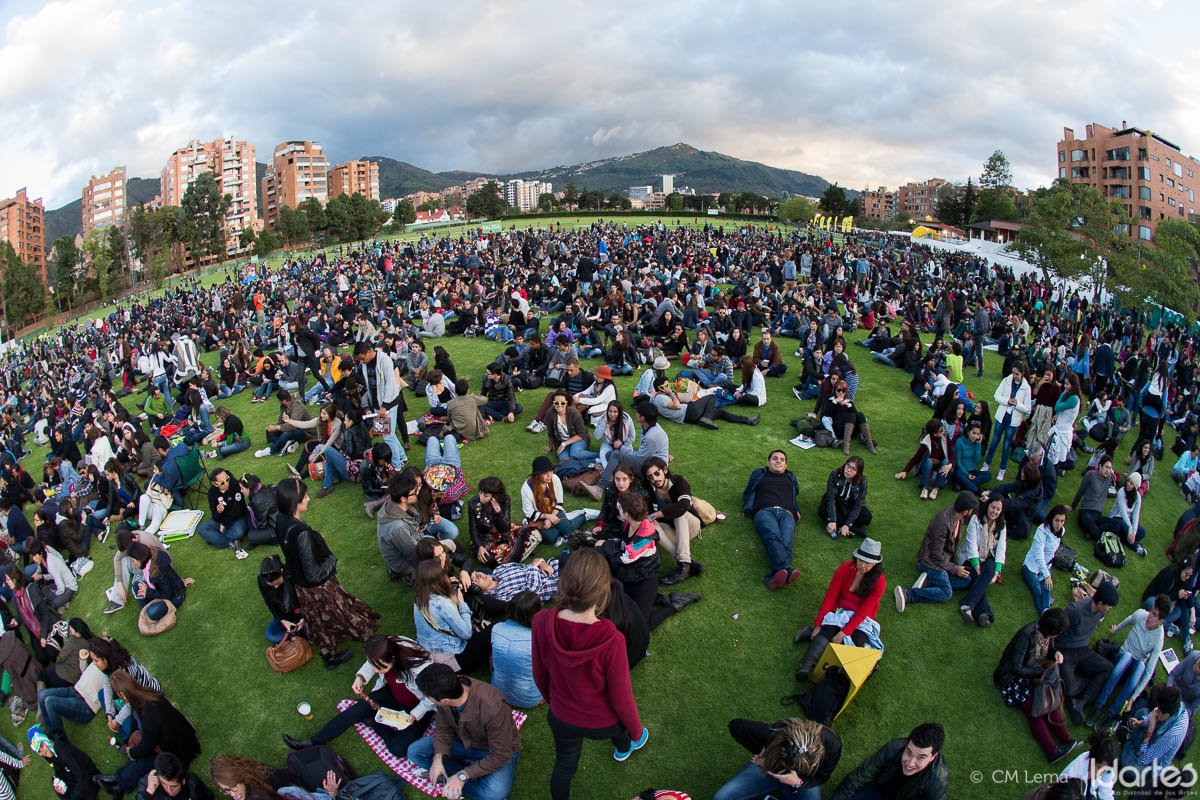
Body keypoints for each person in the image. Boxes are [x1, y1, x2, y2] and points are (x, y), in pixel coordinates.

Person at [532, 547, 647, 800]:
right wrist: (637, 732)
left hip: (561, 717)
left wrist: (557, 704)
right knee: (621, 729)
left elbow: (539, 674)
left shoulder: (541, 621)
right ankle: (625, 746)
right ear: (604, 589)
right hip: (603, 722)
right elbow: (622, 699)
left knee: (564, 767)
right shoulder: (612, 639)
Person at [276, 477, 379, 669]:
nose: (308, 499)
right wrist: (331, 560)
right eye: (304, 496)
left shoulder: (281, 519)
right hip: (317, 588)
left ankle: (328, 655)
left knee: (317, 622)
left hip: (301, 585)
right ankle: (372, 642)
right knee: (342, 615)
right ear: (294, 503)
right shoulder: (301, 534)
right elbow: (314, 574)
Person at [282, 635, 436, 759]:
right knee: (353, 712)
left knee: (399, 749)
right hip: (392, 694)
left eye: (380, 667)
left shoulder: (420, 667)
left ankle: (375, 723)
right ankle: (313, 742)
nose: (375, 671)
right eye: (374, 666)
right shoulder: (382, 647)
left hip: (418, 707)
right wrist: (360, 678)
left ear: (393, 659)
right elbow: (370, 664)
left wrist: (415, 715)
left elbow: (433, 697)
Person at [406, 664, 522, 800]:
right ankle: (454, 776)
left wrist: (463, 775)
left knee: (494, 794)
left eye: (429, 698)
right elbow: (443, 728)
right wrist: (438, 759)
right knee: (415, 752)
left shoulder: (493, 707)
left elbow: (501, 754)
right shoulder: (448, 688)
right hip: (461, 740)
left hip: (491, 750)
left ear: (444, 701)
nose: (427, 700)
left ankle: (453, 778)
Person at [95, 670, 201, 797]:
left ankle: (118, 783)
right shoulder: (147, 694)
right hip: (180, 739)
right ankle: (117, 781)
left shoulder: (149, 712)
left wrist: (132, 752)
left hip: (179, 752)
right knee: (139, 753)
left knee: (142, 761)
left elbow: (147, 745)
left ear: (122, 694)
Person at [994, 607, 1079, 762]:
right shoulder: (1026, 636)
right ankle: (1052, 751)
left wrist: (1055, 653)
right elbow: (1016, 668)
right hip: (1011, 680)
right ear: (1051, 630)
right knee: (1036, 710)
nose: (1058, 636)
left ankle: (1067, 739)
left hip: (1031, 674)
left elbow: (1050, 647)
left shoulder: (1045, 630)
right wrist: (1040, 672)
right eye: (1058, 633)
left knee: (1048, 700)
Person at [795, 539, 886, 681]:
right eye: (859, 560)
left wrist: (844, 633)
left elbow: (864, 611)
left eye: (866, 562)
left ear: (875, 564)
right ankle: (805, 666)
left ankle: (832, 675)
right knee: (827, 631)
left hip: (861, 618)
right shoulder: (845, 568)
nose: (861, 565)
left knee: (856, 641)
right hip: (839, 610)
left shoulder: (879, 581)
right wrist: (819, 624)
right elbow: (830, 597)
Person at [1085, 594, 1171, 727]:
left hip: (1135, 666)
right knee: (1126, 657)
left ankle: (1110, 714)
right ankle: (1098, 705)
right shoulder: (1141, 615)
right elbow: (1129, 620)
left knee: (1141, 666)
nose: (1149, 616)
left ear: (1161, 621)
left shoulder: (1158, 639)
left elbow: (1149, 671)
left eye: (1154, 615)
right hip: (1122, 656)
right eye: (1151, 611)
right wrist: (1116, 629)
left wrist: (1133, 698)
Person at [713, 717, 843, 800]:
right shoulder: (778, 732)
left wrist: (798, 782)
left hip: (803, 781)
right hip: (770, 768)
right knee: (721, 797)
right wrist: (763, 754)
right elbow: (736, 726)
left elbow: (821, 777)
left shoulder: (833, 745)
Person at [894, 492, 979, 613]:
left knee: (966, 580)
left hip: (944, 560)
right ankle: (908, 594)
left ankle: (928, 581)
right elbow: (935, 555)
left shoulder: (958, 519)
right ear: (966, 511)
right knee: (946, 593)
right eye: (971, 511)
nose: (972, 514)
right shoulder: (942, 522)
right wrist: (954, 568)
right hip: (930, 561)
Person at [827, 722, 949, 800]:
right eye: (909, 752)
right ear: (907, 743)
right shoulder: (893, 748)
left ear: (933, 757)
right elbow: (858, 777)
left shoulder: (938, 778)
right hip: (878, 791)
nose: (910, 763)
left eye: (921, 757)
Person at [1057, 580, 1119, 725]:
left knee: (1108, 668)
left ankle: (1081, 702)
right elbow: (1056, 631)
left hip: (1083, 650)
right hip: (1066, 651)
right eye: (1109, 606)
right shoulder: (1075, 610)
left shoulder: (1099, 612)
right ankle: (1075, 697)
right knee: (1070, 688)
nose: (1109, 609)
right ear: (1101, 603)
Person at [412, 559, 491, 673]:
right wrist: (461, 603)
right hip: (452, 662)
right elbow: (466, 634)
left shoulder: (418, 599)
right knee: (494, 629)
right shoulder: (442, 603)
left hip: (430, 657)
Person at [742, 450, 802, 591]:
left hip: (787, 513)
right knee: (772, 536)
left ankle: (774, 576)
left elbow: (794, 496)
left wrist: (796, 508)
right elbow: (748, 491)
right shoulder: (760, 475)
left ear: (786, 465)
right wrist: (746, 507)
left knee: (786, 542)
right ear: (768, 462)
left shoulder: (790, 478)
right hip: (764, 511)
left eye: (782, 459)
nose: (778, 461)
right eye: (775, 458)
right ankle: (785, 568)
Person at [642, 457, 703, 586]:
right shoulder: (650, 490)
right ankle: (686, 565)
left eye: (657, 473)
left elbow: (684, 505)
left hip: (690, 525)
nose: (654, 479)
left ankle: (684, 564)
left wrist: (655, 515)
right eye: (650, 477)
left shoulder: (679, 482)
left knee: (679, 514)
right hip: (673, 531)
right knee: (651, 526)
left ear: (665, 470)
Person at [353, 341, 407, 470]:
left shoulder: (385, 360)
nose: (362, 361)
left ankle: (396, 466)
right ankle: (402, 457)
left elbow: (390, 384)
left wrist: (384, 406)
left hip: (389, 403)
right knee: (390, 434)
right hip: (378, 403)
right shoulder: (365, 364)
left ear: (368, 352)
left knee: (387, 437)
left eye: (362, 358)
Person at [956, 494, 1007, 627]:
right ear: (987, 505)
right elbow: (971, 543)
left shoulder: (1001, 525)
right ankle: (984, 613)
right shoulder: (975, 519)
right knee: (978, 579)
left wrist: (997, 572)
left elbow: (1001, 549)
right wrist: (976, 564)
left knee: (987, 572)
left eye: (998, 509)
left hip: (987, 557)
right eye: (993, 507)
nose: (994, 512)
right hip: (969, 557)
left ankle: (968, 605)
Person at [1120, 684, 1190, 782]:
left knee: (1129, 770)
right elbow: (1153, 714)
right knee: (1142, 713)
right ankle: (1131, 743)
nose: (1156, 712)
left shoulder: (1172, 735)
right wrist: (1141, 723)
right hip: (1154, 737)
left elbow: (1143, 759)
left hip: (1153, 760)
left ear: (1166, 715)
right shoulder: (1176, 705)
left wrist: (1150, 729)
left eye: (1159, 711)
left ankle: (1129, 741)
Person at [467, 476, 540, 567]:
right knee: (488, 558)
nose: (481, 497)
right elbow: (473, 529)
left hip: (503, 534)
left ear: (494, 497)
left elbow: (505, 528)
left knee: (529, 533)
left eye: (485, 496)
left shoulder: (505, 501)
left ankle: (514, 553)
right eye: (480, 492)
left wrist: (498, 512)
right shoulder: (473, 503)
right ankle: (517, 554)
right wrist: (479, 547)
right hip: (485, 537)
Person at [490, 591, 544, 709]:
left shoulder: (496, 628)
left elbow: (492, 660)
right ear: (535, 613)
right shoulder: (539, 638)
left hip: (497, 691)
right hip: (529, 698)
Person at [520, 456, 585, 547]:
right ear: (537, 474)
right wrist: (547, 517)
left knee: (568, 530)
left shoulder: (555, 479)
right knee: (551, 537)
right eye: (545, 473)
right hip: (538, 516)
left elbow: (559, 503)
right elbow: (529, 513)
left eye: (550, 471)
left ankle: (585, 514)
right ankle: (563, 525)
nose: (549, 475)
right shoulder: (526, 489)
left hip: (554, 511)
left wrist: (551, 518)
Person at [983, 362, 1032, 482]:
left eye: (1017, 374)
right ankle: (987, 463)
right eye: (1013, 373)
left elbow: (1028, 409)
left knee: (1006, 445)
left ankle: (1002, 469)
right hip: (1002, 416)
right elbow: (996, 396)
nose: (1014, 376)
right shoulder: (1006, 380)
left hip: (1013, 420)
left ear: (1023, 374)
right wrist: (1007, 401)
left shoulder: (1026, 388)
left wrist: (1017, 404)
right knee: (994, 441)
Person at [27, 724, 97, 800]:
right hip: (74, 777)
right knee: (63, 793)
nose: (43, 751)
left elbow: (81, 775)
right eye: (39, 751)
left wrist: (74, 796)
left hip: (89, 776)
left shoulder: (62, 750)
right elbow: (59, 769)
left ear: (45, 740)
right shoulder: (50, 755)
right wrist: (57, 782)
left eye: (42, 746)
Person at [1021, 504, 1069, 614]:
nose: (1059, 524)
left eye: (1062, 521)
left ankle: (1046, 612)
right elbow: (1039, 554)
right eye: (1057, 520)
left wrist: (1047, 572)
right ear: (1051, 518)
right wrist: (1047, 575)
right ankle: (1045, 615)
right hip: (1031, 567)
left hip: (1046, 566)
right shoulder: (1041, 530)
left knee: (1047, 590)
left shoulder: (1062, 531)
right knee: (1037, 591)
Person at [896, 419, 954, 501]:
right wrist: (905, 471)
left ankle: (936, 489)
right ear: (934, 433)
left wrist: (950, 465)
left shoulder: (945, 437)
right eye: (941, 430)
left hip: (941, 464)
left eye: (943, 428)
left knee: (945, 462)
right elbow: (916, 457)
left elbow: (951, 454)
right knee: (928, 461)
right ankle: (924, 488)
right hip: (928, 465)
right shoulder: (927, 441)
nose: (943, 431)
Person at [196, 468, 249, 555]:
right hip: (222, 518)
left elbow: (238, 509)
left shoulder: (235, 485)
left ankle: (216, 539)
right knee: (203, 529)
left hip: (237, 517)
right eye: (222, 482)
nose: (226, 483)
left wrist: (224, 523)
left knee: (238, 532)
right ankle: (229, 542)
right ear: (215, 484)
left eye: (227, 479)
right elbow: (215, 517)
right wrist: (219, 512)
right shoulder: (212, 493)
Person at [1071, 456, 1124, 542]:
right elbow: (1081, 491)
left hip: (1097, 515)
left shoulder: (1109, 478)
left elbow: (1116, 484)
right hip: (1086, 511)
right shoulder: (1090, 475)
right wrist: (1073, 506)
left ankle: (1091, 532)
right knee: (1088, 521)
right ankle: (1100, 538)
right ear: (1100, 466)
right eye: (1106, 467)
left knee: (1116, 525)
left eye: (1110, 468)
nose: (1108, 470)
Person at [819, 457, 872, 538]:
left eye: (853, 469)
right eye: (848, 466)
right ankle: (854, 529)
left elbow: (858, 504)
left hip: (849, 505)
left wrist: (848, 524)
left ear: (858, 472)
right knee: (823, 511)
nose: (848, 470)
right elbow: (830, 498)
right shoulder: (835, 474)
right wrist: (832, 519)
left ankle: (842, 526)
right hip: (836, 502)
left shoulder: (863, 481)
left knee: (867, 517)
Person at [257, 554, 304, 644]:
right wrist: (283, 621)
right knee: (270, 635)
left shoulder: (292, 577)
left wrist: (302, 618)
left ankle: (298, 635)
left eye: (278, 583)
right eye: (272, 585)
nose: (275, 587)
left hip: (301, 613)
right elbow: (271, 605)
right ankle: (296, 635)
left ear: (282, 572)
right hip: (285, 615)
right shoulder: (261, 581)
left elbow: (304, 601)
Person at [135, 752, 213, 800]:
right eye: (164, 784)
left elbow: (207, 796)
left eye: (174, 786)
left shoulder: (192, 781)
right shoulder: (147, 784)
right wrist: (149, 792)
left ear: (183, 781)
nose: (169, 790)